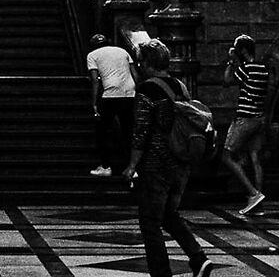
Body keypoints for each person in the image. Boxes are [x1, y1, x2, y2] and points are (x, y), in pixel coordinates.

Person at [126, 38, 218, 277]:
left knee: (150, 222)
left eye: (140, 61)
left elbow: (141, 130)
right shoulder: (180, 86)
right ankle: (198, 258)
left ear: (146, 62)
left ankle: (161, 273)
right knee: (169, 214)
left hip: (156, 163)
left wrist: (132, 164)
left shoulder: (147, 89)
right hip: (181, 163)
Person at [219, 34, 274, 213]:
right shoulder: (263, 68)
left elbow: (226, 81)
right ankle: (259, 199)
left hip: (245, 118)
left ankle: (253, 193)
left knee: (226, 156)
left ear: (242, 50)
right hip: (259, 118)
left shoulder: (246, 68)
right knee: (255, 158)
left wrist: (231, 61)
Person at [87, 33, 138, 180]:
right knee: (128, 130)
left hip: (110, 94)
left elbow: (95, 80)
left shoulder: (92, 55)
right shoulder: (122, 51)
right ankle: (132, 167)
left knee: (102, 131)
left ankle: (105, 166)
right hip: (129, 93)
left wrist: (94, 103)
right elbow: (135, 74)